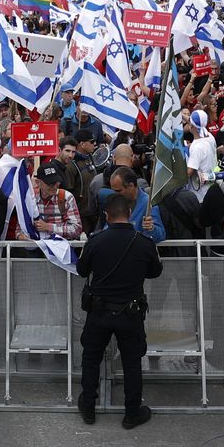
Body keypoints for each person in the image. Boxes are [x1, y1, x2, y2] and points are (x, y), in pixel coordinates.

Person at [75, 193, 163, 429]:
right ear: (129, 214)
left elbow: (82, 270)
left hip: (99, 312)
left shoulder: (95, 241)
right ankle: (132, 412)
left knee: (91, 358)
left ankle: (89, 407)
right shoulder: (143, 243)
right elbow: (155, 272)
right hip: (130, 313)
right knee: (132, 362)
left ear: (106, 215)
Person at [106, 167, 165, 243]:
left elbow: (161, 235)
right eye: (113, 190)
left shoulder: (148, 204)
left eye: (118, 191)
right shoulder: (115, 201)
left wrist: (151, 228)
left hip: (137, 250)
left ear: (131, 186)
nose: (115, 194)